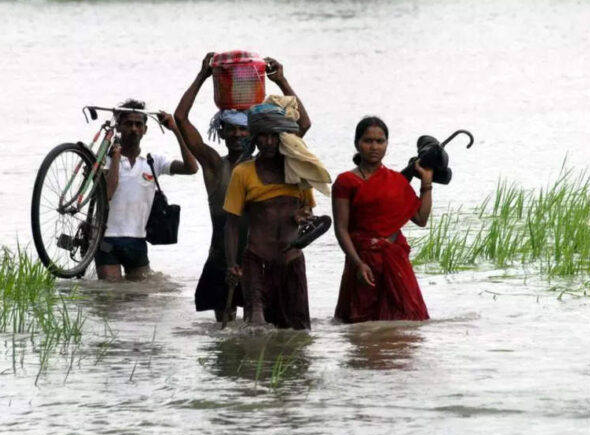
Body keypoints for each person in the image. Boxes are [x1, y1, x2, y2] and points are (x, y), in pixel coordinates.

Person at [174, 53, 311, 321]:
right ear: (221, 131)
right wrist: (203, 76)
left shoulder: (263, 164)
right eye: (230, 130)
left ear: (254, 133)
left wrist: (281, 81)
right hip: (221, 258)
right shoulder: (215, 165)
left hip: (261, 260)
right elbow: (181, 118)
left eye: (243, 130)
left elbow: (303, 125)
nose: (237, 136)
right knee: (224, 331)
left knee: (261, 332)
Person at [223, 103, 318, 330]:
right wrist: (232, 264)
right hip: (257, 261)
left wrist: (302, 216)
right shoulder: (243, 172)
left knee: (299, 331)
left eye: (274, 136)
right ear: (254, 138)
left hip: (291, 262)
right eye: (262, 136)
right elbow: (232, 225)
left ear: (283, 138)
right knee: (256, 329)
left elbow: (309, 210)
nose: (267, 143)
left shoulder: (298, 170)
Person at [331, 116, 433, 322]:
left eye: (380, 141)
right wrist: (358, 263)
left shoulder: (396, 180)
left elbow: (421, 219)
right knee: (361, 321)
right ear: (357, 144)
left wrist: (427, 182)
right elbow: (341, 229)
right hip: (363, 261)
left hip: (395, 261)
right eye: (368, 141)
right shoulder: (345, 181)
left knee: (407, 322)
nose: (374, 147)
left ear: (387, 144)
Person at [96, 99, 198, 282]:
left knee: (140, 302)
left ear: (145, 129)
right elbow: (108, 193)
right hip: (107, 239)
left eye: (138, 124)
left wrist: (176, 130)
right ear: (118, 127)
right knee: (110, 298)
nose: (134, 128)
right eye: (128, 124)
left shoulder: (152, 162)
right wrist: (116, 157)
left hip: (137, 241)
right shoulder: (104, 160)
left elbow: (192, 168)